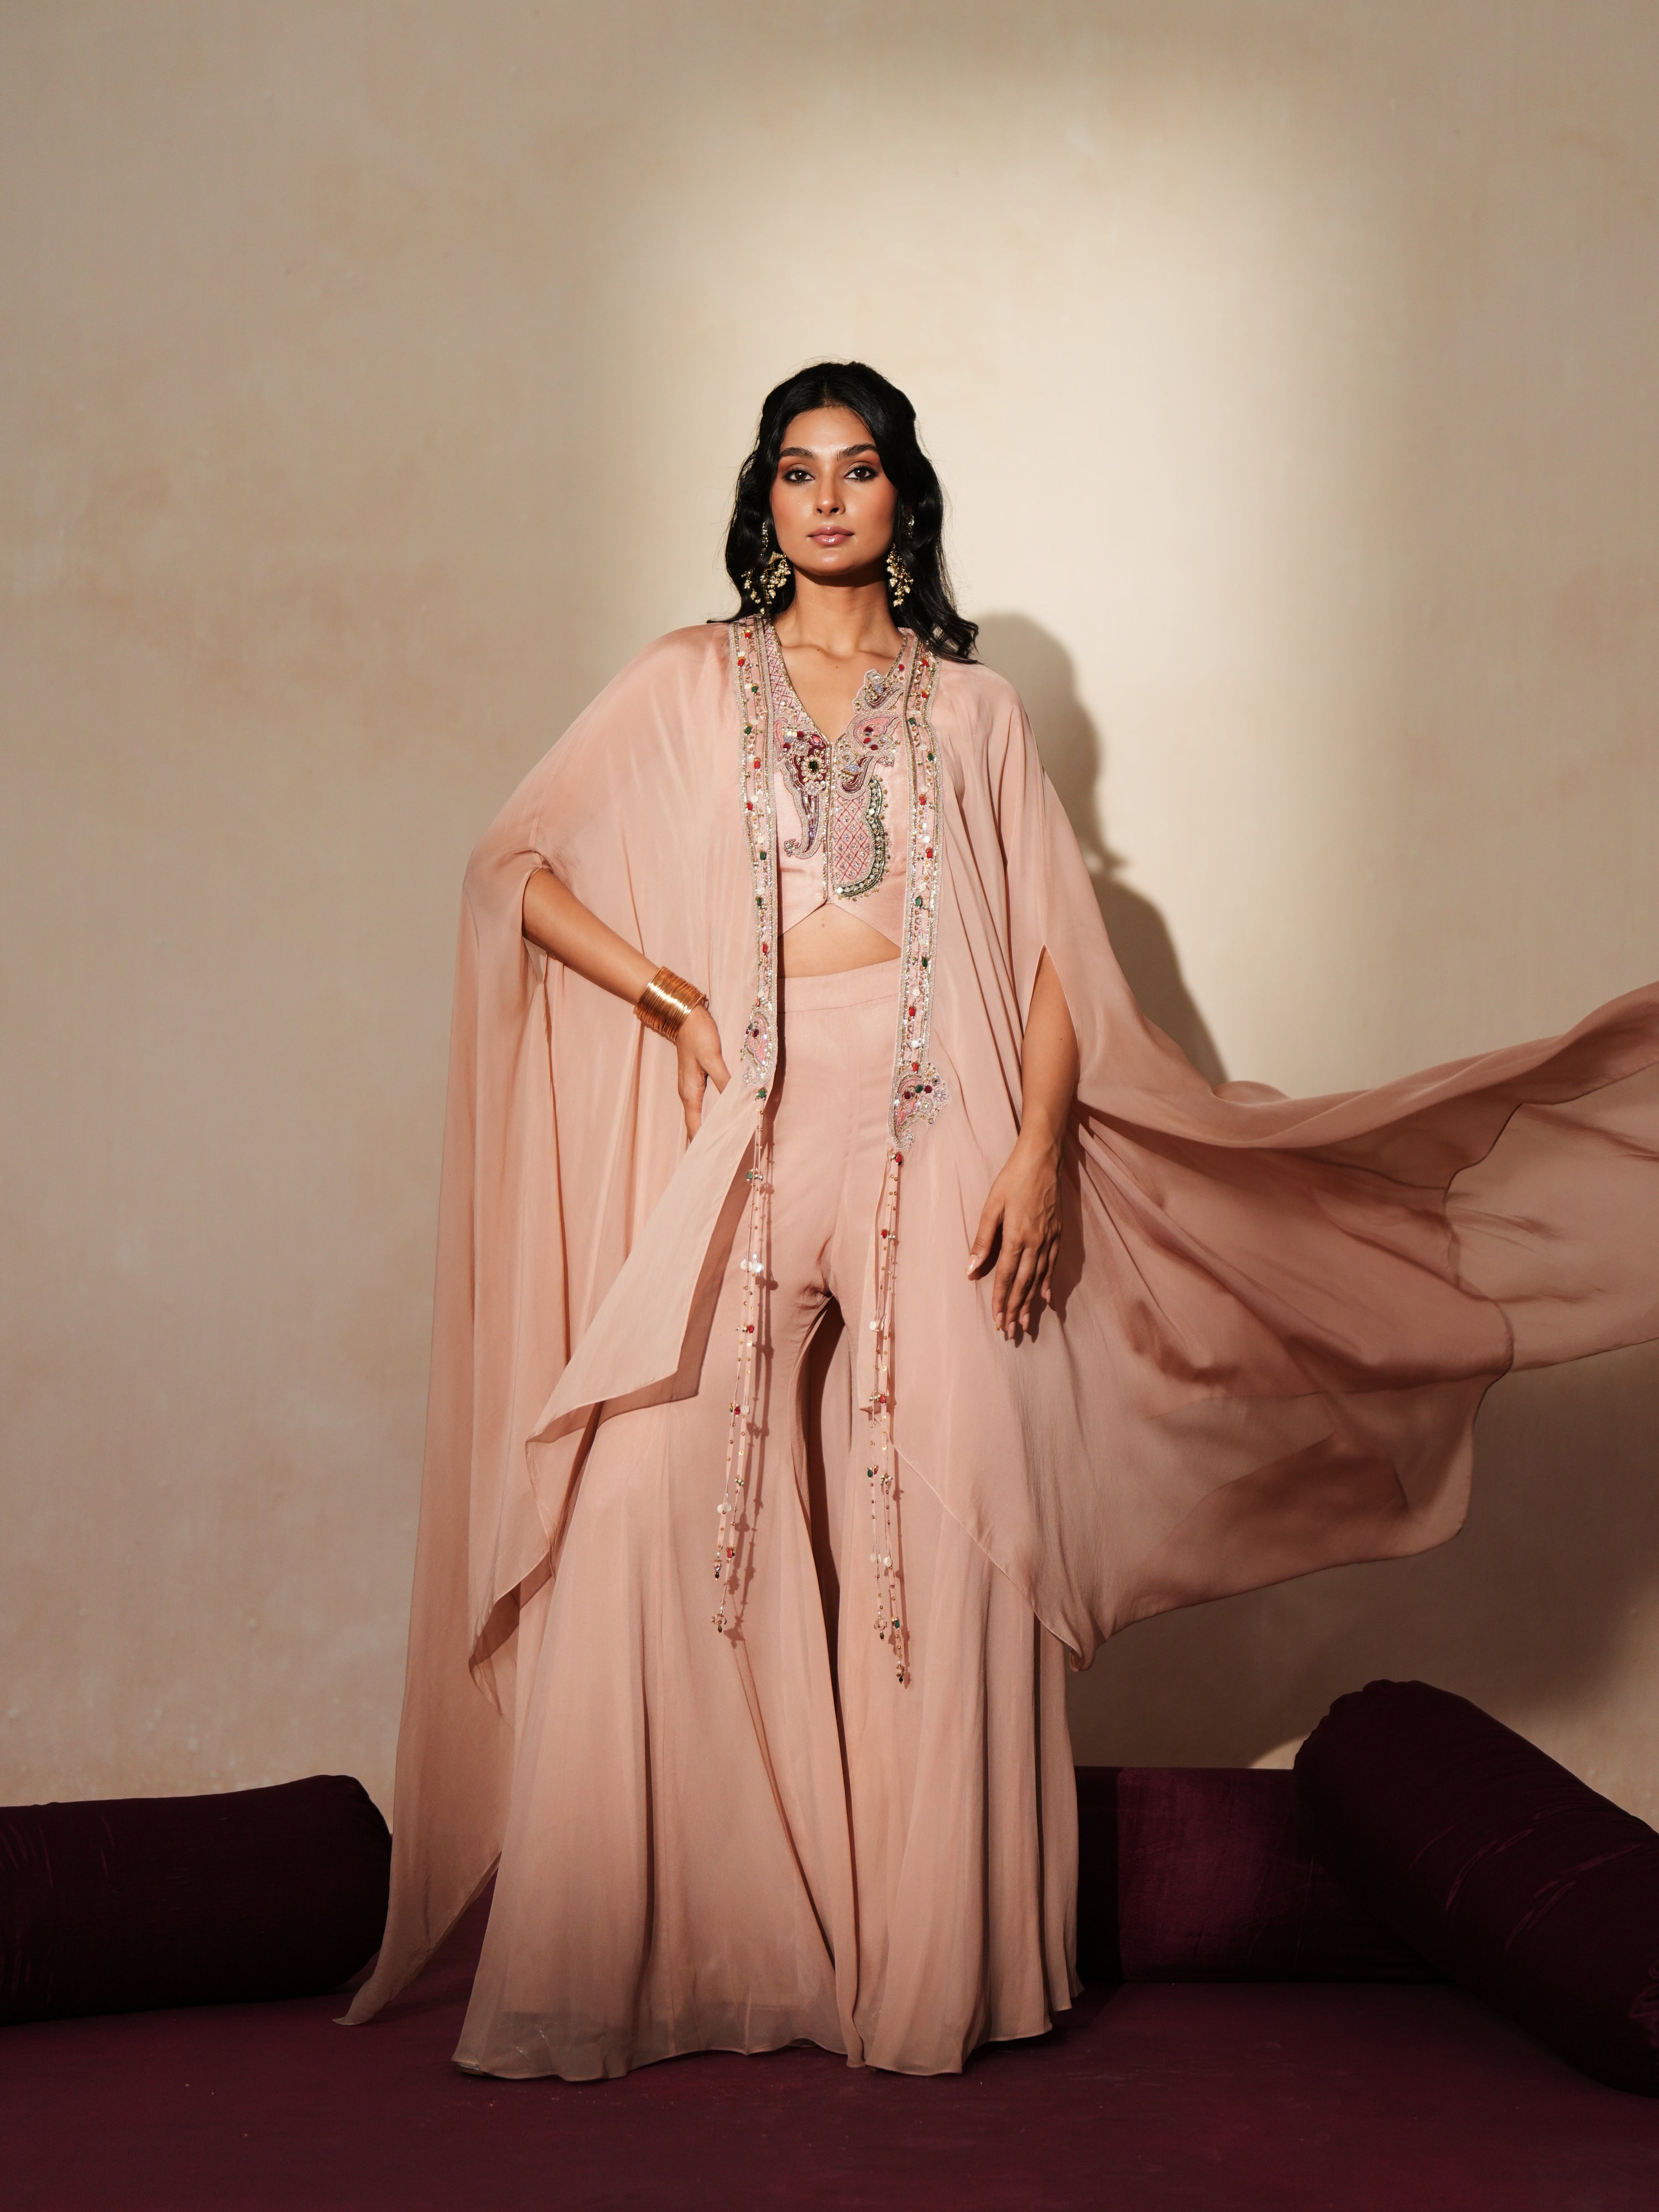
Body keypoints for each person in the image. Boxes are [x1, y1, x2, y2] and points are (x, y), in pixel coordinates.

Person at [346, 361, 1659, 2079]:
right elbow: (510, 874)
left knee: (937, 1541)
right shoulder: (689, 681)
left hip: (937, 1130)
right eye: (798, 471)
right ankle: (684, 1958)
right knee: (660, 1502)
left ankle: (932, 1981)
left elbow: (1055, 959)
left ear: (905, 496)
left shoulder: (967, 713)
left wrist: (1038, 1153)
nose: (829, 498)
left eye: (861, 468)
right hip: (751, 1128)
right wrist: (671, 1000)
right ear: (765, 500)